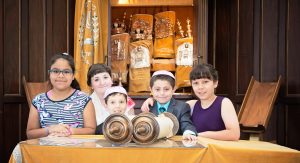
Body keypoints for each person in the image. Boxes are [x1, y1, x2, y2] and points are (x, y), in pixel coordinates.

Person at [141, 64, 240, 141]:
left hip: (217, 150)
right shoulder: (191, 104)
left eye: (205, 82)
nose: (200, 87)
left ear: (215, 83)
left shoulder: (223, 103)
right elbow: (168, 104)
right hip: (197, 150)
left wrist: (198, 134)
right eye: (196, 83)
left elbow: (234, 134)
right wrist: (151, 100)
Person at [26, 53, 96, 139]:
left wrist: (68, 131)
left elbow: (91, 130)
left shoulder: (84, 99)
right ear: (49, 73)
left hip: (76, 151)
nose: (61, 75)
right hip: (46, 151)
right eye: (55, 71)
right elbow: (30, 133)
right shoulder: (38, 100)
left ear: (73, 75)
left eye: (66, 72)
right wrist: (50, 129)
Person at [145, 70, 197, 141]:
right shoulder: (148, 107)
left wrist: (188, 133)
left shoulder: (182, 107)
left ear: (173, 89)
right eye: (157, 89)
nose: (162, 93)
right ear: (151, 90)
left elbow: (186, 123)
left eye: (166, 89)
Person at [87, 63, 135, 128]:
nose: (102, 82)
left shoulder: (124, 97)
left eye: (105, 77)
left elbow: (132, 122)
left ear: (111, 80)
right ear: (91, 85)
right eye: (96, 79)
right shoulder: (87, 102)